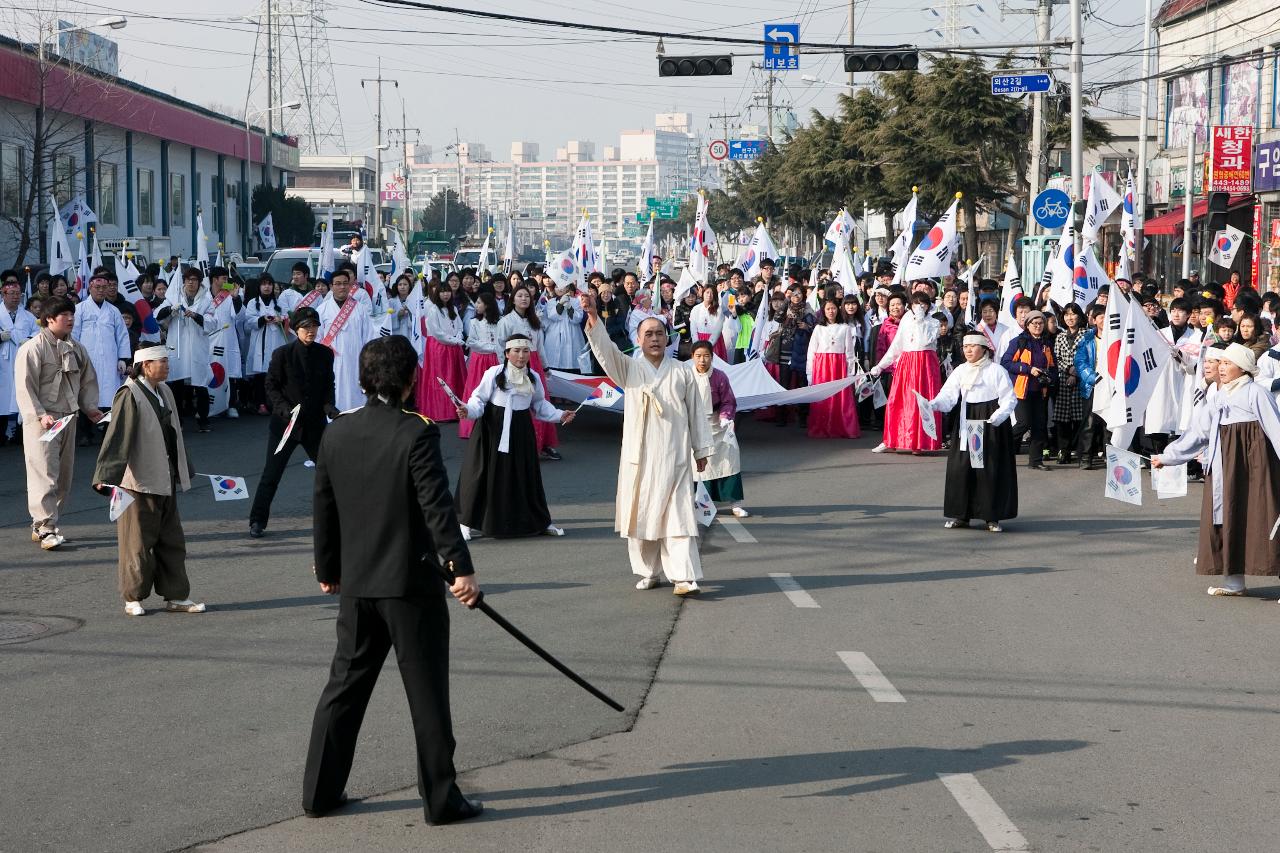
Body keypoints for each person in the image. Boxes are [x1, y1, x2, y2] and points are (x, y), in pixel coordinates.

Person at [303, 335, 483, 826]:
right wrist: (460, 568)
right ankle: (441, 800)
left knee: (344, 689)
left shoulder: (337, 431)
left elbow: (324, 505)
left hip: (357, 584)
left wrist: (328, 567)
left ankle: (318, 792)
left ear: (364, 380)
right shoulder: (417, 432)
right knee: (425, 695)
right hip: (409, 585)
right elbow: (436, 507)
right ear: (411, 380)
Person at [579, 292, 713, 595]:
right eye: (648, 334)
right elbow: (606, 352)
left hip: (675, 457)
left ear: (668, 339)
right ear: (638, 340)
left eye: (659, 333)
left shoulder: (683, 372)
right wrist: (593, 316)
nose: (654, 338)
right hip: (639, 459)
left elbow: (697, 413)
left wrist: (701, 451)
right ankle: (648, 571)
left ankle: (683, 577)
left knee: (679, 518)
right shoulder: (630, 369)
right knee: (640, 516)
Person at [1153, 343, 1280, 597]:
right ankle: (1234, 581)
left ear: (1242, 369)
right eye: (1220, 363)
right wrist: (1168, 457)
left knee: (1264, 518)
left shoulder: (1256, 393)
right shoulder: (1218, 396)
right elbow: (1197, 433)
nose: (1221, 368)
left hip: (1255, 470)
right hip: (1224, 469)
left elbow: (1276, 431)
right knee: (1227, 519)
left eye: (1227, 364)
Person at [91, 346, 205, 616]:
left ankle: (176, 595)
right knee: (137, 543)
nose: (167, 366)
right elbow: (118, 436)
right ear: (144, 365)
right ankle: (133, 597)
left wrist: (183, 469)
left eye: (167, 361)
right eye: (161, 361)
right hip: (138, 481)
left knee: (172, 540)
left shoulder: (164, 391)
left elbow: (175, 434)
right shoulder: (129, 394)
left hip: (164, 476)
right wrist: (106, 476)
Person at [454, 334, 575, 540]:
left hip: (520, 429)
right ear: (507, 354)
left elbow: (540, 405)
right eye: (516, 351)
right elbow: (478, 399)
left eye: (525, 351)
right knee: (481, 474)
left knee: (525, 475)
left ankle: (539, 521)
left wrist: (559, 414)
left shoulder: (533, 376)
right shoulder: (494, 373)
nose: (521, 355)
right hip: (492, 428)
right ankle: (466, 522)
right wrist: (469, 410)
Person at [15, 297, 104, 549]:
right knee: (44, 473)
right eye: (64, 315)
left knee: (64, 475)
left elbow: (87, 380)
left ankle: (43, 523)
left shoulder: (76, 348)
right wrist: (40, 414)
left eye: (71, 314)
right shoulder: (32, 348)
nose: (70, 319)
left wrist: (90, 408)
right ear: (49, 319)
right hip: (42, 421)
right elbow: (25, 388)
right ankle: (46, 527)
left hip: (68, 417)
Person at [248, 307, 337, 538]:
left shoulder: (325, 354)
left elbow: (328, 385)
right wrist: (283, 409)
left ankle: (341, 517)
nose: (311, 331)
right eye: (306, 327)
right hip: (285, 425)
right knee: (271, 474)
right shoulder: (282, 354)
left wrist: (329, 406)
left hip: (315, 425)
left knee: (331, 472)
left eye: (314, 326)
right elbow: (271, 386)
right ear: (294, 329)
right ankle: (257, 520)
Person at [926, 334, 1019, 532]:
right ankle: (961, 515)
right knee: (961, 467)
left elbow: (1009, 398)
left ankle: (991, 516)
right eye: (965, 346)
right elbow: (948, 395)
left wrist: (998, 416)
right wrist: (933, 404)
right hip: (966, 419)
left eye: (972, 346)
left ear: (984, 349)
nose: (968, 350)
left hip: (989, 420)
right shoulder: (961, 370)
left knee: (988, 468)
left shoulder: (996, 370)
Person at [871, 291, 942, 454]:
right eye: (916, 304)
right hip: (907, 363)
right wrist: (881, 366)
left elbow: (925, 341)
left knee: (922, 402)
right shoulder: (906, 320)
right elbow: (897, 345)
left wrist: (921, 320)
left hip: (925, 365)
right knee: (898, 401)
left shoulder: (933, 322)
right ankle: (891, 439)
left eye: (923, 304)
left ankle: (919, 442)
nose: (919, 307)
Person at [497, 285, 559, 459]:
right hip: (515, 363)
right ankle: (520, 444)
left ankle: (542, 444)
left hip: (534, 365)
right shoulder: (506, 321)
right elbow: (500, 347)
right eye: (520, 295)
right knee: (519, 402)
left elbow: (540, 347)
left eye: (526, 296)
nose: (524, 299)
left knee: (539, 401)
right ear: (513, 299)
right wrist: (504, 369)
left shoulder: (535, 321)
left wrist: (545, 367)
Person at [688, 340, 748, 517]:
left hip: (717, 424)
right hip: (694, 426)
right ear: (692, 357)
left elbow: (729, 401)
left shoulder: (720, 376)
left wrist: (725, 417)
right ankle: (699, 504)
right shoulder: (686, 376)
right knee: (697, 467)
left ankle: (735, 503)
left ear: (712, 357)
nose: (702, 360)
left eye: (706, 356)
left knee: (729, 460)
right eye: (698, 356)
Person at [72, 267, 130, 444]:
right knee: (86, 395)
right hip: (87, 359)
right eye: (97, 287)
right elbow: (73, 334)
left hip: (110, 360)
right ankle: (85, 433)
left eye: (104, 287)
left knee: (108, 396)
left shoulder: (113, 311)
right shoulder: (80, 309)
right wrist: (75, 357)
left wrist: (123, 358)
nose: (101, 290)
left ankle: (108, 432)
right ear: (90, 287)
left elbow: (122, 336)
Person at [157, 267, 213, 432]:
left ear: (199, 282)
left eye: (194, 280)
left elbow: (212, 321)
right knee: (177, 386)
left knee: (201, 385)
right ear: (184, 281)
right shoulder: (174, 297)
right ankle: (177, 420)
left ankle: (203, 419)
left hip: (197, 347)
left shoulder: (206, 300)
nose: (191, 282)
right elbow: (157, 316)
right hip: (178, 347)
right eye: (188, 279)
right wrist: (170, 309)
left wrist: (196, 316)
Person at [1001, 310, 1057, 470]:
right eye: (1034, 323)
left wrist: (1050, 377)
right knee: (1024, 422)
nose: (1038, 326)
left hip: (1040, 390)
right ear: (1028, 325)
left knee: (1040, 425)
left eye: (1041, 323)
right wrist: (1027, 369)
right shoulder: (1019, 342)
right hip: (1022, 389)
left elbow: (1053, 366)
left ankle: (1036, 461)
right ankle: (1001, 450)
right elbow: (1006, 362)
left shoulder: (1046, 343)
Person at [318, 268, 374, 412]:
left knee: (356, 395)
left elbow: (369, 337)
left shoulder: (360, 309)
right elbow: (317, 338)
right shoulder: (322, 310)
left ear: (350, 286)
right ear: (331, 287)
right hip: (331, 362)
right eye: (337, 284)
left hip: (356, 361)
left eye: (345, 283)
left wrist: (367, 363)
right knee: (333, 392)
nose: (342, 287)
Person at [805, 299, 861, 439]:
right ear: (823, 311)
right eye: (828, 308)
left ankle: (842, 427)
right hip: (822, 367)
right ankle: (822, 427)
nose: (831, 311)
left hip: (839, 367)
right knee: (823, 398)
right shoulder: (818, 328)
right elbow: (811, 352)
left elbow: (849, 352)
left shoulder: (845, 328)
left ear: (838, 309)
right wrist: (810, 373)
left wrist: (850, 373)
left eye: (834, 308)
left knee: (841, 398)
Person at [417, 282, 466, 422]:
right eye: (442, 292)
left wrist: (458, 336)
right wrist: (454, 340)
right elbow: (437, 333)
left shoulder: (453, 309)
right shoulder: (433, 310)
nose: (445, 294)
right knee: (443, 378)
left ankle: (456, 409)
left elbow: (459, 326)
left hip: (453, 347)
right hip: (440, 348)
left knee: (455, 377)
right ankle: (442, 411)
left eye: (448, 291)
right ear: (437, 294)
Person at [243, 274, 290, 415]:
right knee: (260, 375)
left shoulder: (280, 302)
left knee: (276, 373)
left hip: (276, 340)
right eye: (264, 284)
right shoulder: (253, 303)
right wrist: (262, 319)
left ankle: (276, 403)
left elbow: (287, 319)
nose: (267, 287)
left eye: (269, 284)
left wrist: (280, 319)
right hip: (260, 341)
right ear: (259, 286)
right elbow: (248, 322)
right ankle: (261, 403)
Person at [1, 275, 40, 444]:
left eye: (18, 294)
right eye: (11, 294)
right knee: (2, 395)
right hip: (3, 359)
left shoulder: (28, 316)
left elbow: (38, 332)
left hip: (21, 358)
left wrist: (29, 339)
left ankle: (20, 434)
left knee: (21, 393)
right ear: (3, 295)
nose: (15, 297)